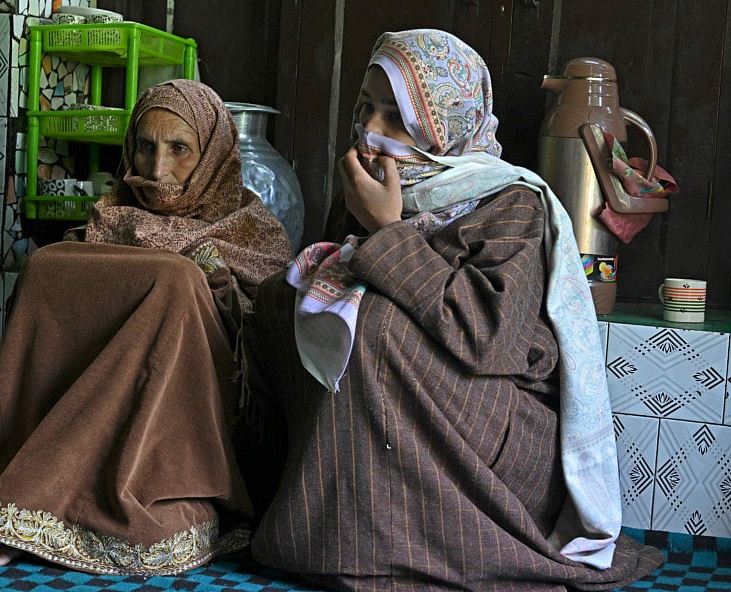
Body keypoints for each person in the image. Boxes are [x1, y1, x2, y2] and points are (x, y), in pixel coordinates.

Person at [243, 29, 665, 591]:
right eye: (366, 108)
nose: (370, 130)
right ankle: (327, 530)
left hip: (500, 423)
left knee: (374, 327)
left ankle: (380, 550)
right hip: (411, 404)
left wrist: (387, 229)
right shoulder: (369, 185)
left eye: (397, 115)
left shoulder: (512, 203)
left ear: (443, 124)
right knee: (288, 301)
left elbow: (490, 339)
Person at [0, 79, 294, 576]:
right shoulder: (110, 217)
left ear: (213, 155)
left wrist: (218, 292)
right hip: (116, 386)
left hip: (198, 404)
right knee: (46, 267)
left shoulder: (253, 231)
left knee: (175, 281)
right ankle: (40, 498)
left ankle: (48, 495)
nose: (157, 169)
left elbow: (268, 341)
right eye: (145, 147)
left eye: (179, 149)